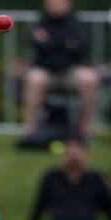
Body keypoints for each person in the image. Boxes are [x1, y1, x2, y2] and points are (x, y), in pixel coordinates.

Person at [22, 0, 99, 140]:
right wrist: (64, 43)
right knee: (33, 79)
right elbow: (35, 43)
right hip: (45, 71)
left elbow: (81, 46)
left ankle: (83, 129)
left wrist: (50, 42)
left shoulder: (76, 21)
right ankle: (30, 132)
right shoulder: (40, 21)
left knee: (90, 78)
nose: (56, 5)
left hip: (71, 70)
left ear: (69, 3)